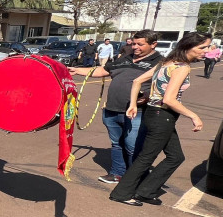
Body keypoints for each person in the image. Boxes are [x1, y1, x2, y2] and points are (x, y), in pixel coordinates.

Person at [109, 32, 210, 207]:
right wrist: (194, 116)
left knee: (175, 157)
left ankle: (145, 191)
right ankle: (122, 193)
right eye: (202, 47)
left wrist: (133, 104)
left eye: (207, 47)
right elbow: (169, 99)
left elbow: (137, 81)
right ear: (188, 47)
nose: (206, 51)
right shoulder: (181, 67)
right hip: (162, 116)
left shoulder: (165, 63)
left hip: (155, 114)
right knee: (146, 157)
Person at [69, 30, 163, 184]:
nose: (135, 47)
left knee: (133, 146)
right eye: (134, 44)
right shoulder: (126, 59)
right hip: (112, 110)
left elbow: (165, 87)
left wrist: (147, 97)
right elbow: (102, 70)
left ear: (153, 45)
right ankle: (117, 173)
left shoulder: (160, 62)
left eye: (140, 44)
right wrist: (77, 70)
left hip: (137, 112)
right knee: (117, 144)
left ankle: (137, 178)